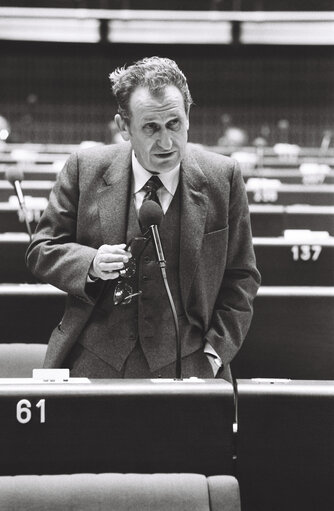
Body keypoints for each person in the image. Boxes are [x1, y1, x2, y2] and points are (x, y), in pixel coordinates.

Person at [26, 56, 261, 381]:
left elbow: (242, 277)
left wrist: (215, 353)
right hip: (93, 361)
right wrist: (90, 264)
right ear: (124, 127)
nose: (166, 142)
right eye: (151, 127)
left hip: (190, 364)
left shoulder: (224, 177)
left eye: (174, 124)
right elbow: (42, 250)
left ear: (188, 116)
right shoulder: (85, 168)